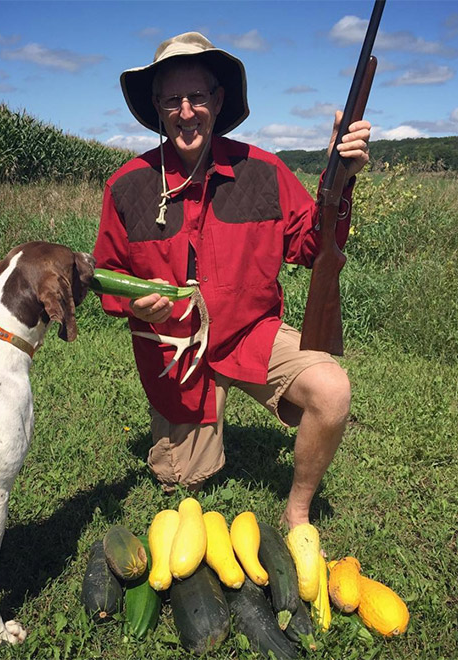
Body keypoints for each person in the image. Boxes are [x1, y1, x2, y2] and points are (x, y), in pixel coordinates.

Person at [93, 32, 371, 529]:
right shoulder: (127, 186)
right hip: (176, 354)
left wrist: (340, 180)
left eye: (197, 97)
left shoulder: (263, 172)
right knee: (185, 487)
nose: (185, 111)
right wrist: (135, 305)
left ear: (218, 101)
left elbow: (310, 246)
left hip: (251, 334)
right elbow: (108, 276)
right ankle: (197, 422)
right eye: (172, 100)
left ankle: (298, 513)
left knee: (332, 391)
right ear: (157, 106)